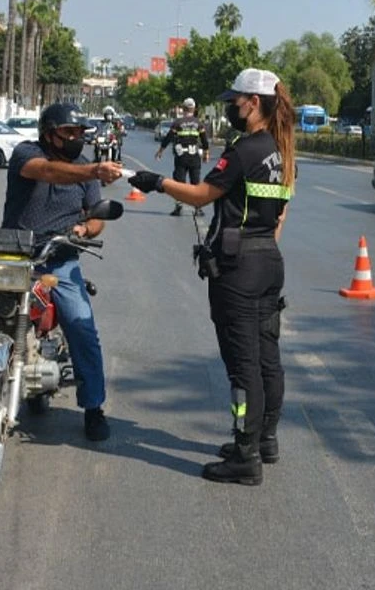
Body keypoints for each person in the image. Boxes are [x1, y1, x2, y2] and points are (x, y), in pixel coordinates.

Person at [129, 68, 294, 486]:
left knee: (243, 368)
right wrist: (259, 247)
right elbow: (280, 215)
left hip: (238, 270)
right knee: (267, 357)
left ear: (253, 103)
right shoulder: (280, 150)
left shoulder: (243, 150)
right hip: (268, 261)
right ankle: (264, 439)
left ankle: (245, 456)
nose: (229, 108)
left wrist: (158, 182)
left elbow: (202, 195)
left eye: (233, 102)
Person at [0, 103, 124, 444]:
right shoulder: (27, 153)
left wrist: (85, 229)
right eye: (69, 132)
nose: (77, 138)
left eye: (80, 133)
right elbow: (45, 171)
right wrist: (93, 170)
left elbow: (97, 217)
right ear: (49, 133)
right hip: (10, 256)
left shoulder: (83, 168)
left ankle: (93, 407)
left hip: (59, 259)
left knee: (82, 328)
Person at [154, 97, 210, 217]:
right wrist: (206, 153)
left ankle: (178, 207)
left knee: (179, 183)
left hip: (181, 157)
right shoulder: (198, 123)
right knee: (195, 182)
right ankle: (198, 208)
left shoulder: (178, 123)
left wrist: (160, 151)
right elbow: (204, 140)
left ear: (183, 108)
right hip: (194, 156)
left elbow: (168, 138)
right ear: (194, 109)